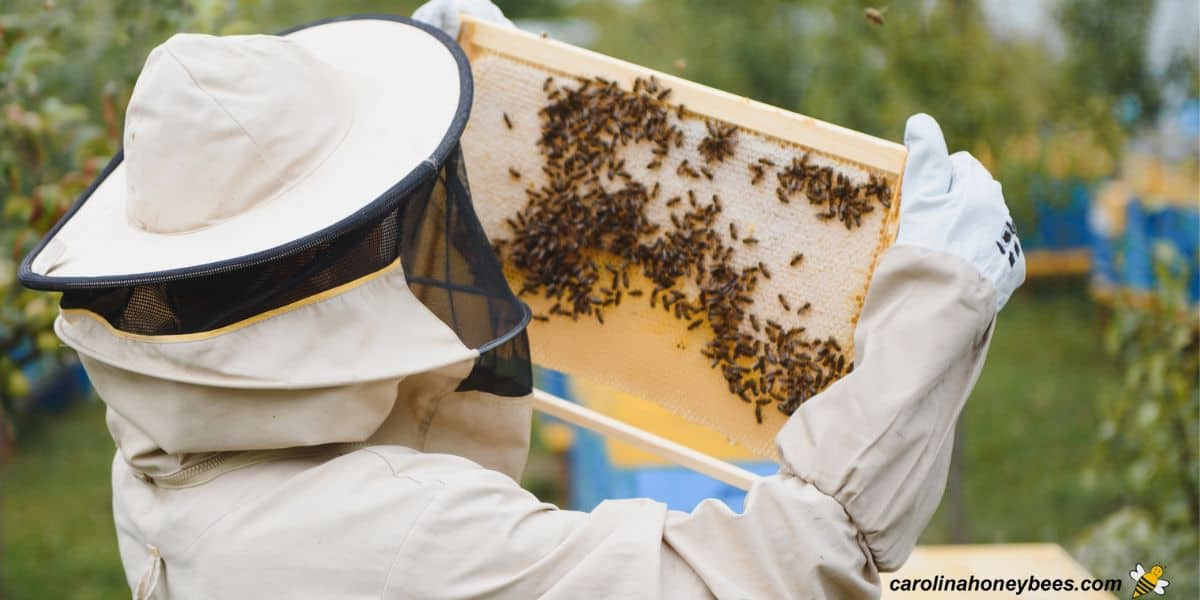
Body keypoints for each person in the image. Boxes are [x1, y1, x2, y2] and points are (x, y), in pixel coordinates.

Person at [17, 3, 1024, 599]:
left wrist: (505, 127)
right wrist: (940, 300)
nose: (400, 223)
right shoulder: (394, 545)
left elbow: (363, 403)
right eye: (377, 210)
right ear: (313, 262)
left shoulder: (162, 436)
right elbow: (782, 569)